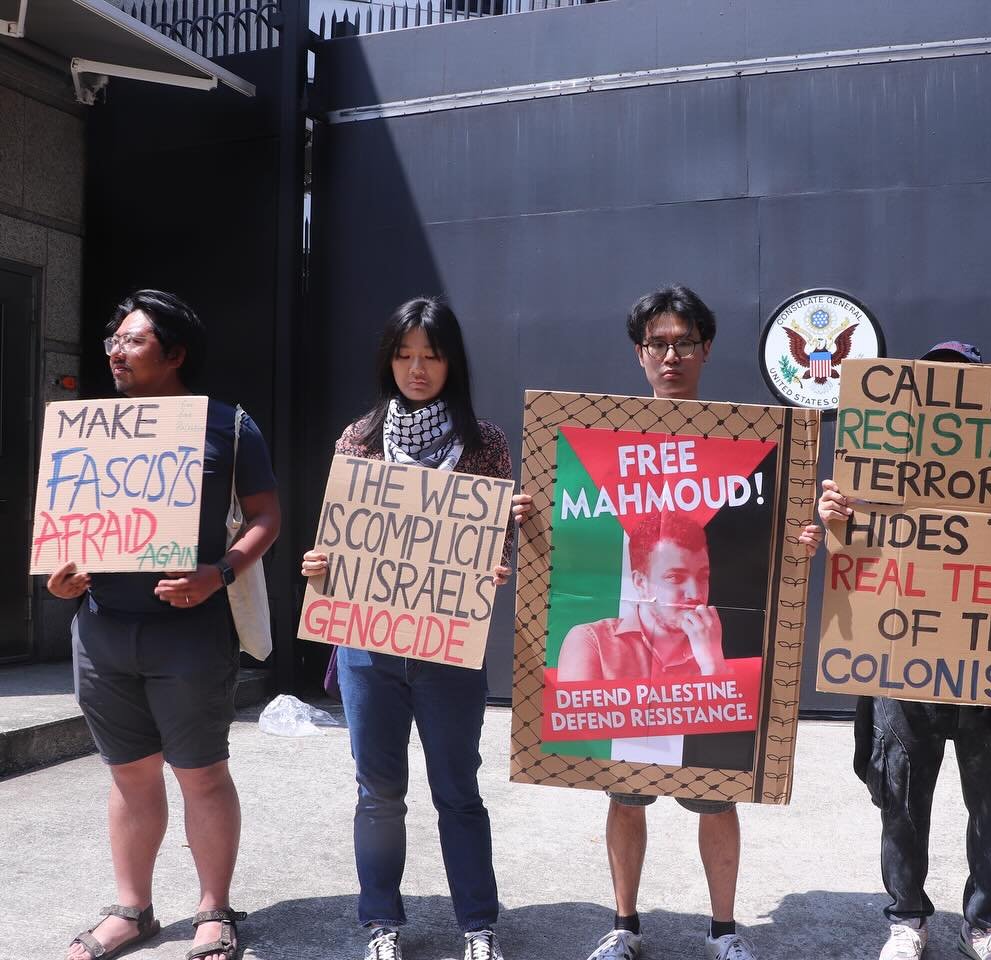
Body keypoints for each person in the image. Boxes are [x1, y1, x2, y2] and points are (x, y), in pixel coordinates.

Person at [511, 285, 819, 960]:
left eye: (685, 342)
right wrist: (531, 519)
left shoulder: (743, 440)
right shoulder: (603, 439)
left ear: (706, 349)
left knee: (719, 797)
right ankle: (624, 925)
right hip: (629, 695)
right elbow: (575, 705)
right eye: (659, 343)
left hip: (701, 689)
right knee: (626, 799)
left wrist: (801, 541)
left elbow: (770, 546)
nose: (671, 355)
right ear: (639, 353)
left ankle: (724, 931)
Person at [817, 340, 991, 960]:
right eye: (939, 386)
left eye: (964, 386)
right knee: (900, 798)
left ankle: (986, 924)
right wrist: (836, 515)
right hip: (902, 662)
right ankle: (906, 918)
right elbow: (855, 548)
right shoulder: (882, 471)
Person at [52, 290, 281, 960]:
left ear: (175, 352)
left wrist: (221, 572)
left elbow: (266, 515)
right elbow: (66, 531)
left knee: (201, 773)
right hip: (101, 631)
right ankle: (133, 910)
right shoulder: (90, 429)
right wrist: (59, 581)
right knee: (129, 775)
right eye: (113, 341)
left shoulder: (229, 426)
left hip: (190, 634)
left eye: (133, 341)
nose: (115, 353)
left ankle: (214, 909)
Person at [299, 297, 516, 960]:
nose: (417, 369)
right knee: (378, 793)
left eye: (431, 355)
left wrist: (497, 563)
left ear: (453, 362)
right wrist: (317, 566)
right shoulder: (358, 439)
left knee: (458, 791)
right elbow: (337, 541)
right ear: (387, 360)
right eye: (404, 354)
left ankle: (478, 926)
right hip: (368, 647)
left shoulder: (485, 443)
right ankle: (381, 925)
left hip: (449, 649)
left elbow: (501, 543)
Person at [557, 511, 728, 681]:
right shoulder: (592, 643)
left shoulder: (717, 648)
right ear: (640, 583)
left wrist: (712, 666)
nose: (695, 593)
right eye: (676, 577)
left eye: (703, 577)